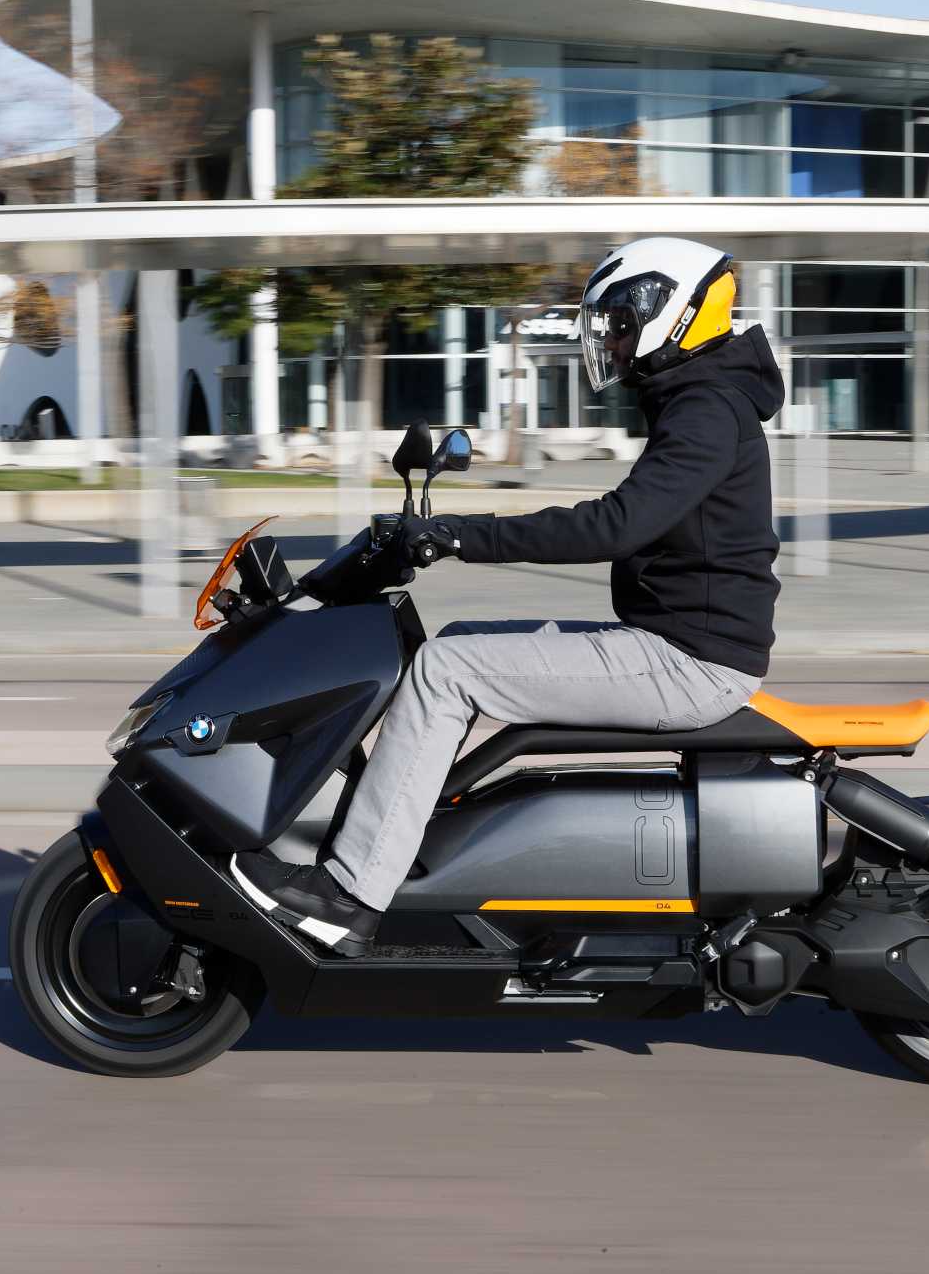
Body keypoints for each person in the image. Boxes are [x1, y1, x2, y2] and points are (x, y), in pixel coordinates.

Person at [232, 237, 782, 954]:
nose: (611, 342)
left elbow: (619, 524)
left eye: (619, 322)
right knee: (456, 644)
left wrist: (461, 534)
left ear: (669, 311)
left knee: (445, 673)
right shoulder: (700, 400)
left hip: (690, 662)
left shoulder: (706, 408)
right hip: (678, 644)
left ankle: (351, 895)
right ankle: (408, 832)